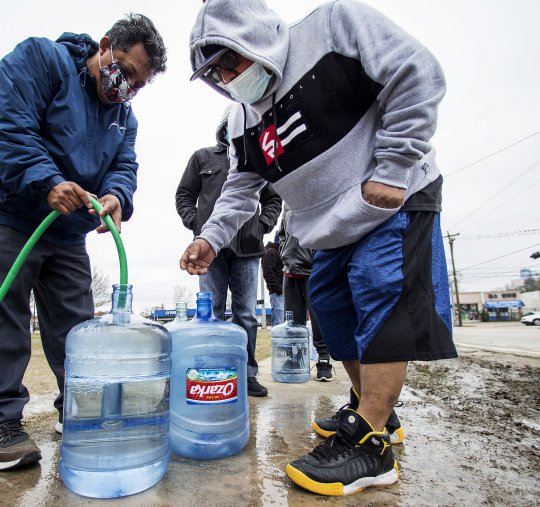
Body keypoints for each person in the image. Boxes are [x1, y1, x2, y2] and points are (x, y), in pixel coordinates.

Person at [181, 0, 456, 496]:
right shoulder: (243, 119)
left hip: (393, 200)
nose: (225, 78)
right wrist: (208, 237)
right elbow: (240, 189)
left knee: (382, 295)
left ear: (254, 38)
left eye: (229, 61)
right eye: (214, 72)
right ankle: (375, 410)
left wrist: (394, 166)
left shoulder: (334, 27)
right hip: (330, 229)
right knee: (329, 308)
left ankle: (371, 446)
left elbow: (416, 72)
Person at [0, 14, 167, 471]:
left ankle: (77, 408)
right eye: (127, 73)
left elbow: (124, 165)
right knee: (2, 317)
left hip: (68, 230)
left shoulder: (124, 117)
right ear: (106, 45)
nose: (127, 88)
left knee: (77, 329)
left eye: (138, 85)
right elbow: (6, 124)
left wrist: (118, 195)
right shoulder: (41, 58)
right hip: (10, 212)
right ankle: (0, 425)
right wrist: (46, 180)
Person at [175, 105, 282, 397]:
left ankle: (247, 374)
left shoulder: (257, 157)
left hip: (248, 249)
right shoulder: (202, 157)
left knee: (246, 314)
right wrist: (196, 224)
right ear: (224, 128)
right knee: (210, 312)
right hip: (210, 249)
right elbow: (184, 195)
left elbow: (274, 199)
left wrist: (262, 225)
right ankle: (213, 374)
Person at [277, 206, 333, 381]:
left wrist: (316, 257)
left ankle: (324, 361)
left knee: (318, 319)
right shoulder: (287, 206)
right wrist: (283, 253)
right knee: (292, 321)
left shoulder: (314, 200)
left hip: (312, 271)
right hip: (289, 271)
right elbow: (282, 234)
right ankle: (295, 359)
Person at [261, 231, 284, 327]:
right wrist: (279, 290)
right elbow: (268, 274)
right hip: (278, 294)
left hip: (283, 293)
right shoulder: (271, 252)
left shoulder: (281, 252)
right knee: (279, 324)